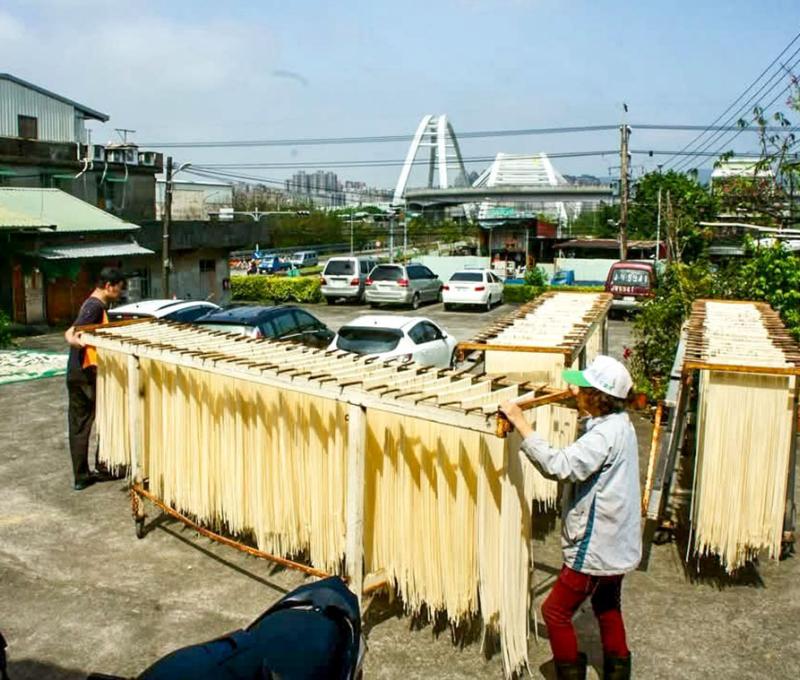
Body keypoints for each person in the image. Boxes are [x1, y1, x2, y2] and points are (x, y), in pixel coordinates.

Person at [500, 355, 640, 680]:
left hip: (595, 547)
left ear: (597, 397)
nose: (575, 392)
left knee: (555, 611)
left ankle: (569, 672)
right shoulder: (621, 425)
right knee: (607, 604)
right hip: (618, 544)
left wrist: (521, 423)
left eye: (582, 389)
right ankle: (618, 670)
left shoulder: (602, 436)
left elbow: (560, 466)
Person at [64, 267, 125, 490]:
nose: (119, 293)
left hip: (76, 373)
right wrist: (76, 340)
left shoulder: (90, 304)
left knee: (79, 425)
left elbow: (71, 330)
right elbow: (74, 332)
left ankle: (81, 476)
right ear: (109, 286)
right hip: (85, 374)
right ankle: (103, 467)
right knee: (105, 417)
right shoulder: (95, 306)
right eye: (118, 289)